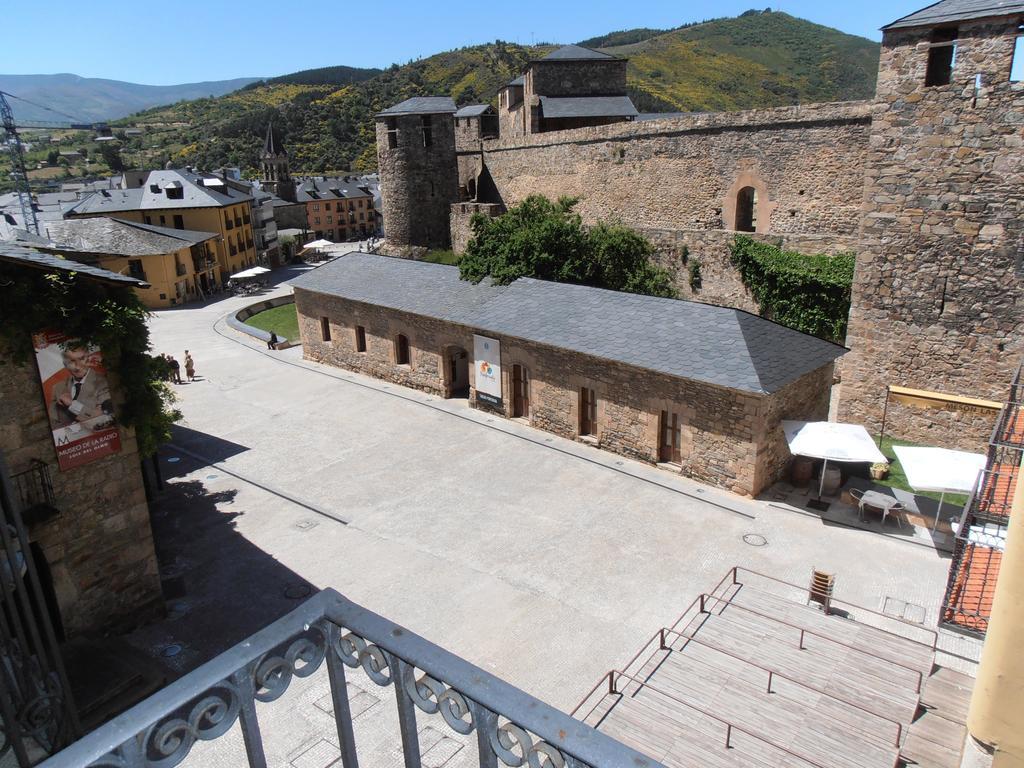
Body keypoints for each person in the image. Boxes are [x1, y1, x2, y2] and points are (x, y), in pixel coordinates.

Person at [50, 342, 114, 429]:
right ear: (65, 365)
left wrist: (72, 404)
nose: (78, 366)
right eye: (72, 361)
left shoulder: (102, 381)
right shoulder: (58, 387)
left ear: (89, 359)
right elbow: (55, 423)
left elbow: (104, 419)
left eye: (81, 359)